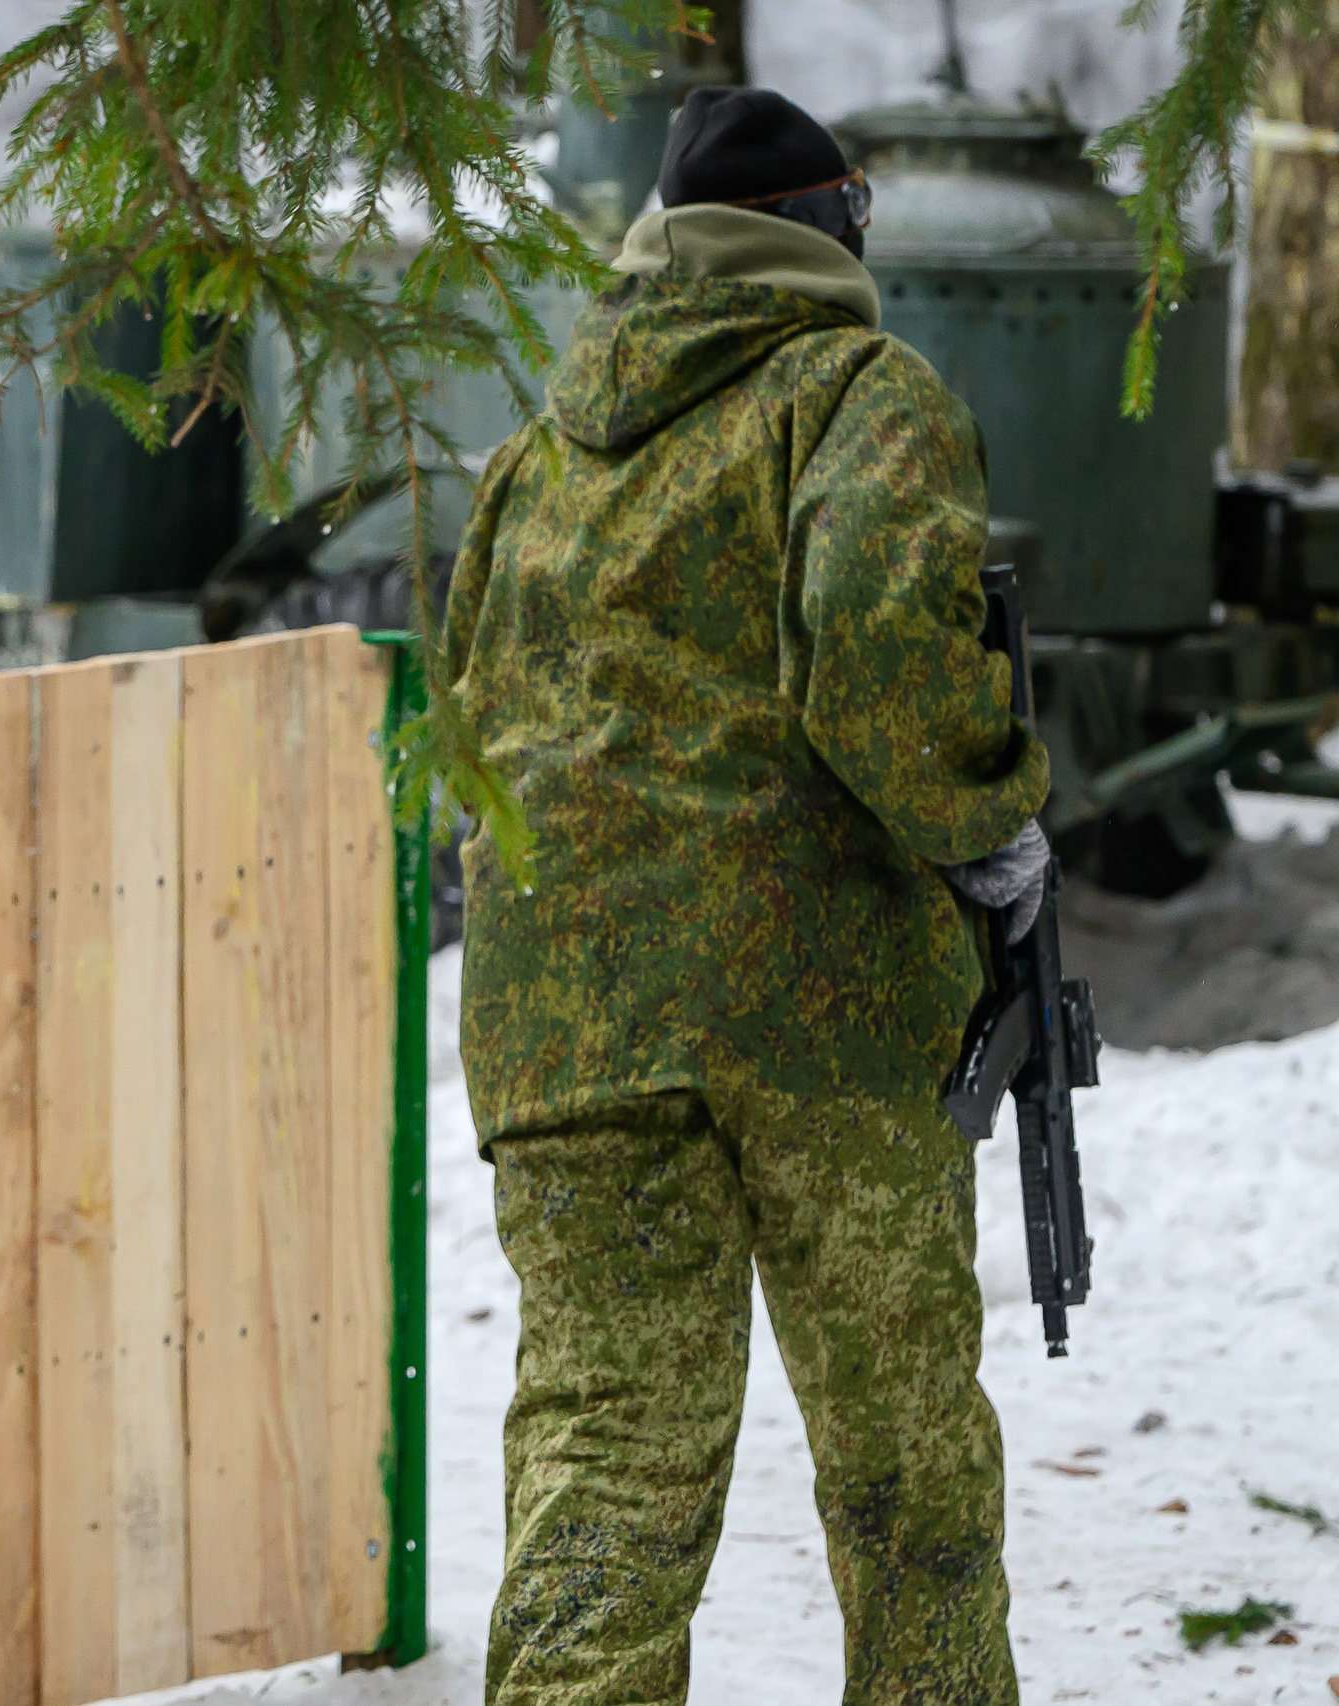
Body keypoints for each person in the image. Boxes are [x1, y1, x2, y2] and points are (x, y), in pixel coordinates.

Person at [443, 89, 1050, 1706]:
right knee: (902, 1463)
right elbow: (871, 637)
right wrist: (991, 817)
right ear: (832, 223)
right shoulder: (860, 395)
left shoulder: (529, 455)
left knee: (607, 1458)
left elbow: (469, 723)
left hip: (560, 1029)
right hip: (822, 1023)